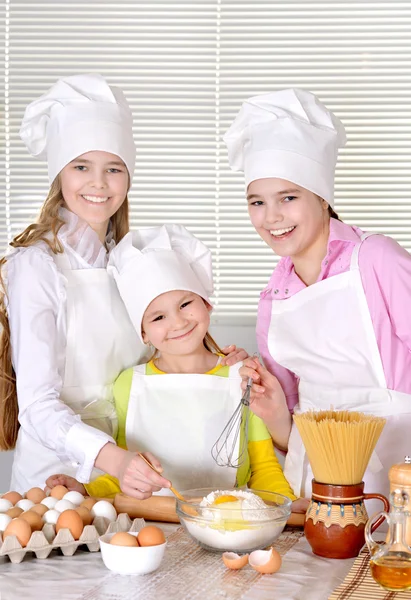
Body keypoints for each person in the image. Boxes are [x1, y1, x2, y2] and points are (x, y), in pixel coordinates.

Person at [0, 74, 244, 496]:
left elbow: (160, 345)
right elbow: (37, 405)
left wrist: (217, 358)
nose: (98, 183)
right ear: (59, 174)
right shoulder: (36, 264)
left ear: (127, 177)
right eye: (81, 167)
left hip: (132, 471)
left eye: (113, 169)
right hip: (56, 473)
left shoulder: (128, 261)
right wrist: (111, 456)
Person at [223, 88, 411, 512]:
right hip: (321, 495)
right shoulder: (274, 298)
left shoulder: (376, 259)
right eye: (257, 202)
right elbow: (291, 430)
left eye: (288, 198)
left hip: (401, 478)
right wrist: (265, 401)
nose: (271, 217)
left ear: (322, 196)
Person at [46, 224, 307, 511]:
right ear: (142, 333)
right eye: (158, 317)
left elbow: (265, 469)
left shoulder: (244, 379)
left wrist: (289, 505)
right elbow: (121, 478)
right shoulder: (128, 384)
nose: (178, 323)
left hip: (226, 524)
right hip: (150, 524)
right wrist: (85, 489)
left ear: (206, 303)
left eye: (185, 304)